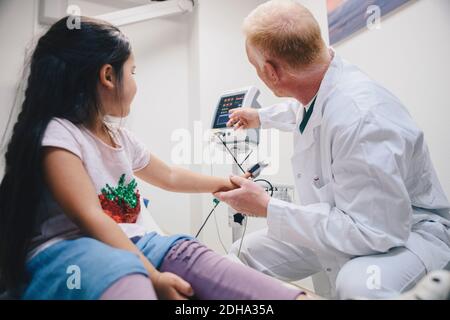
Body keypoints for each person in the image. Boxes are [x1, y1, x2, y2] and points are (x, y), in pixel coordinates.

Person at [0, 16, 310, 300]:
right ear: (108, 76)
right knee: (128, 277)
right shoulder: (60, 133)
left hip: (137, 242)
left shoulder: (119, 139)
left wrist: (228, 183)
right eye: (132, 72)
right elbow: (91, 218)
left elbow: (171, 176)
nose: (135, 84)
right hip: (72, 250)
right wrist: (153, 276)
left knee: (193, 255)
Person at [214, 0, 450, 299]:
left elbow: (375, 231)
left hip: (406, 231)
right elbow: (303, 113)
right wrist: (260, 116)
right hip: (344, 218)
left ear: (272, 73)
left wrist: (267, 207)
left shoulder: (361, 119)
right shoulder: (321, 83)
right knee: (241, 256)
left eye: (255, 66)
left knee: (358, 285)